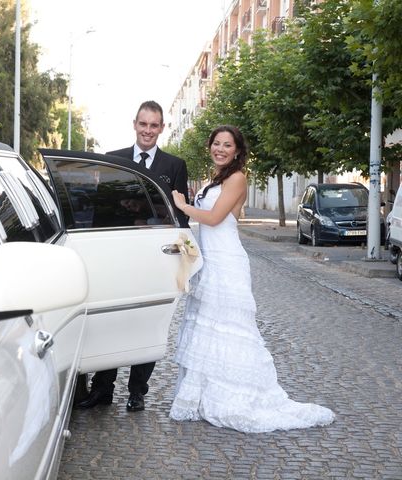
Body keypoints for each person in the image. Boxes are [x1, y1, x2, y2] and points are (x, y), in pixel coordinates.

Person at [169, 125, 335, 432]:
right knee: (209, 327)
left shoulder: (238, 177)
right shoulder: (216, 178)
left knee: (231, 328)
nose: (219, 148)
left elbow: (215, 218)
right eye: (216, 143)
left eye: (226, 145)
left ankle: (235, 395)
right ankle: (204, 396)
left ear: (237, 151)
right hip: (210, 261)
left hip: (228, 262)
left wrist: (183, 205)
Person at [76, 100, 190, 413]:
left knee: (147, 323)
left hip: (155, 259)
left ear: (162, 128)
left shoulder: (174, 166)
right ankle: (102, 389)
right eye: (144, 124)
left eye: (154, 125)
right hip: (116, 256)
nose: (148, 131)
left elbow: (180, 218)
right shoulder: (113, 160)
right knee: (111, 321)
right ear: (135, 124)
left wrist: (151, 224)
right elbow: (100, 211)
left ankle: (138, 391)